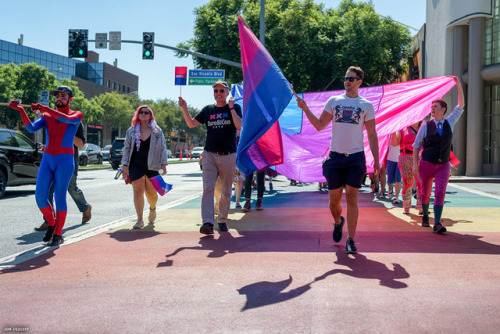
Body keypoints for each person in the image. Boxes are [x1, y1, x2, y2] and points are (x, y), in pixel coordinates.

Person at [297, 66, 380, 254]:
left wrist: (376, 159)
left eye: (351, 78)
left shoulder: (366, 105)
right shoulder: (334, 101)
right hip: (335, 157)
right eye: (345, 78)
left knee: (352, 196)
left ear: (359, 81)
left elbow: (373, 135)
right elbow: (319, 125)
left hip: (356, 157)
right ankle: (337, 221)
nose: (347, 81)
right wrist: (305, 108)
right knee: (334, 200)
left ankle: (351, 239)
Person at [9, 86, 83, 246]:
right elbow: (30, 128)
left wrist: (45, 108)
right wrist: (21, 110)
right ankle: (52, 223)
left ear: (70, 99)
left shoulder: (76, 115)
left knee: (59, 196)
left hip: (65, 160)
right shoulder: (47, 114)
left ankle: (58, 234)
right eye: (57, 96)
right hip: (48, 159)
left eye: (63, 96)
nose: (59, 98)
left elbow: (66, 120)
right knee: (40, 197)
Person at [178, 80, 242, 234]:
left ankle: (222, 219)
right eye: (216, 91)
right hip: (209, 155)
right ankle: (207, 222)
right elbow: (192, 124)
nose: (218, 94)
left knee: (226, 190)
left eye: (221, 91)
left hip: (228, 155)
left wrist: (232, 108)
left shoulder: (234, 107)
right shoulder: (207, 110)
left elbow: (239, 126)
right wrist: (185, 109)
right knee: (208, 188)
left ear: (227, 93)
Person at [412, 77, 465, 233]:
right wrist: (415, 164)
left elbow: (461, 105)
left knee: (440, 191)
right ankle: (425, 218)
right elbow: (416, 146)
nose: (432, 109)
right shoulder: (425, 126)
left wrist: (459, 85)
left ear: (443, 109)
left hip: (443, 165)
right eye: (431, 107)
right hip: (427, 163)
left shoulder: (450, 121)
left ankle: (437, 223)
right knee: (425, 192)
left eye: (435, 107)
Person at [34, 123, 92, 231]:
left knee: (72, 188)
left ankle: (85, 207)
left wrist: (67, 133)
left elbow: (80, 144)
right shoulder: (53, 120)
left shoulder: (75, 121)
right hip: (52, 160)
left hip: (69, 160)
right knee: (48, 191)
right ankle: (49, 220)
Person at [121, 105, 168, 229]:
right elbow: (126, 148)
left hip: (152, 165)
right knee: (138, 191)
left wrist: (164, 163)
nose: (144, 114)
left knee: (151, 194)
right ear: (138, 114)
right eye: (141, 112)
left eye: (146, 112)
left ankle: (152, 208)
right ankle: (140, 219)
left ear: (150, 115)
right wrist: (124, 165)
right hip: (135, 165)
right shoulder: (131, 131)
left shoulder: (157, 131)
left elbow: (163, 148)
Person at [393, 121, 423, 214]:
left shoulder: (424, 128)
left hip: (420, 158)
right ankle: (406, 206)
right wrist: (393, 130)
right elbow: (395, 144)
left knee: (421, 182)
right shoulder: (403, 128)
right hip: (405, 157)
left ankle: (421, 205)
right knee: (407, 182)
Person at [386, 132, 402, 204]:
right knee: (390, 179)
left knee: (398, 179)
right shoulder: (388, 134)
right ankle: (390, 188)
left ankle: (396, 196)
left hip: (400, 159)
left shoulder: (402, 132)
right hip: (390, 159)